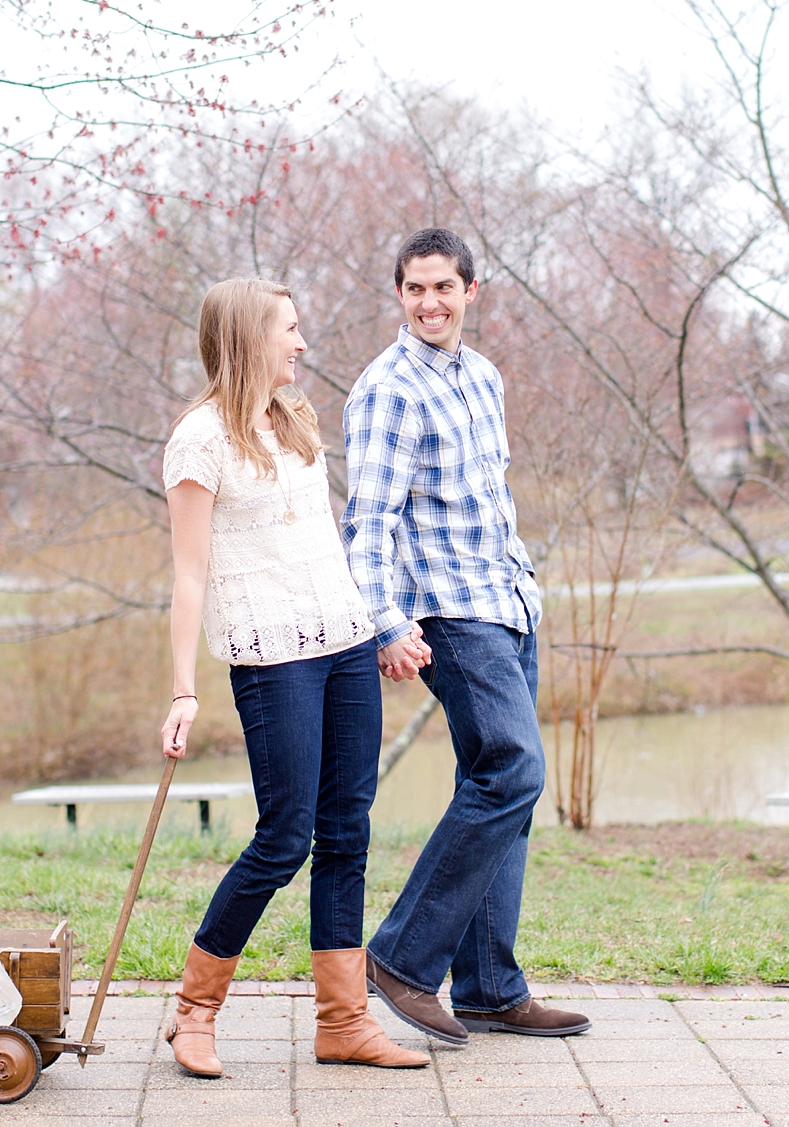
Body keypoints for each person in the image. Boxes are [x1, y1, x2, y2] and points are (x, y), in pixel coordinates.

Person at [157, 277, 430, 1079]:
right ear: (250, 338)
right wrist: (182, 689)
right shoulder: (198, 441)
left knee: (348, 831)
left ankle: (344, 1023)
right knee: (284, 839)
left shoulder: (294, 420)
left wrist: (376, 629)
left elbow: (326, 544)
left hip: (346, 647)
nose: (302, 344)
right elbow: (189, 577)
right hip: (271, 658)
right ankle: (193, 1012)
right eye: (290, 330)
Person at [343, 228, 590, 1044]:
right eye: (414, 289)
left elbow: (491, 499)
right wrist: (386, 621)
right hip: (449, 614)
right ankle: (405, 957)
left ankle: (489, 986)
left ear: (471, 291)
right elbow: (369, 519)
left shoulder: (483, 378)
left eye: (443, 288)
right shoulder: (387, 390)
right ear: (401, 295)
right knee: (515, 768)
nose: (429, 303)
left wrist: (527, 589)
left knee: (500, 788)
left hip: (510, 603)